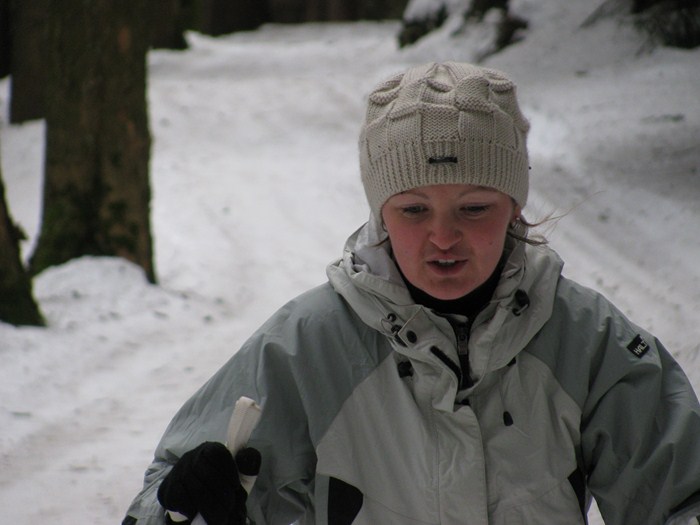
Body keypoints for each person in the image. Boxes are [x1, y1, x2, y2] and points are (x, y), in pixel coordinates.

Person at [122, 62, 700, 525]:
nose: (443, 237)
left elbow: (681, 495)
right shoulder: (308, 347)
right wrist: (186, 508)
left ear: (514, 208)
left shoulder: (585, 340)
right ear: (381, 214)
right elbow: (163, 498)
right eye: (414, 210)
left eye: (474, 208)